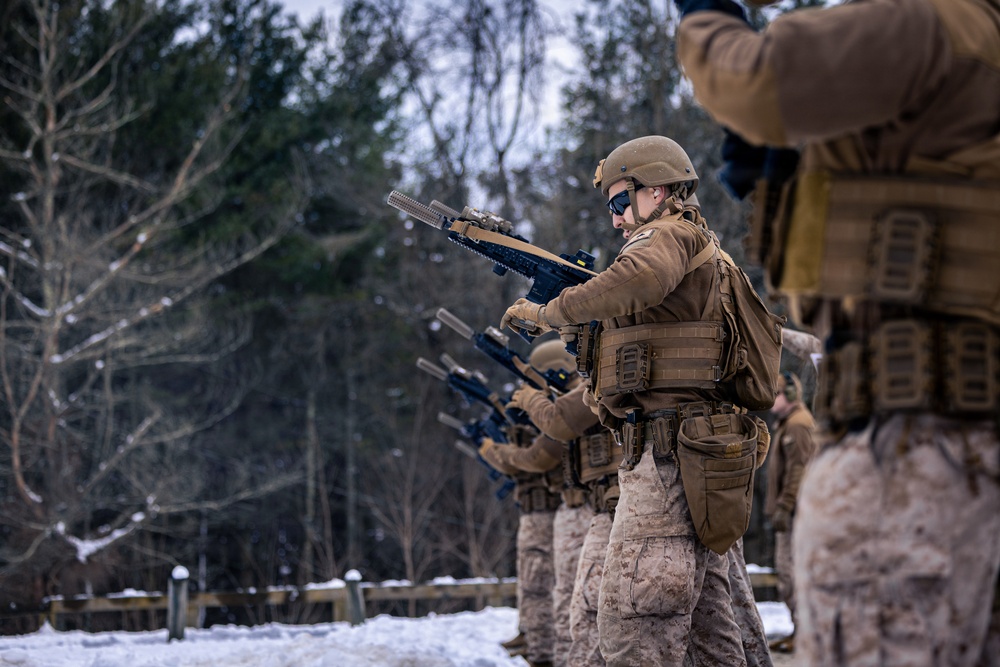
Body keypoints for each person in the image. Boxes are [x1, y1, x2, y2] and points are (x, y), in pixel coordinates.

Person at [672, 0, 1000, 664]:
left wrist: (704, 17)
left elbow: (757, 81)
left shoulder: (938, 21)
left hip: (920, 450)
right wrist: (809, 184)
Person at [501, 135, 765, 666]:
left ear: (659, 189)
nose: (618, 220)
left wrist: (549, 312)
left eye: (622, 202)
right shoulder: (701, 251)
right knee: (713, 630)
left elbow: (639, 277)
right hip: (696, 458)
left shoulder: (665, 237)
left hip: (667, 463)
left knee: (632, 623)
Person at [763, 371, 817, 653]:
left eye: (778, 393)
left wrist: (785, 506)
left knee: (792, 574)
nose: (773, 399)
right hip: (792, 513)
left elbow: (799, 471)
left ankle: (806, 634)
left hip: (796, 515)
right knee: (788, 575)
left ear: (791, 396)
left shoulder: (798, 425)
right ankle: (801, 632)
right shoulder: (789, 423)